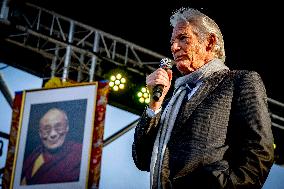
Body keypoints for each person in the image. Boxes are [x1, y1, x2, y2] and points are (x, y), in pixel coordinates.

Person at [132, 7, 274, 189]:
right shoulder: (170, 102)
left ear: (209, 42)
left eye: (183, 38)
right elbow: (142, 159)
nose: (174, 48)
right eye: (172, 42)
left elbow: (260, 149)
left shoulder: (239, 81)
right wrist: (154, 103)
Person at [21, 107, 82, 185]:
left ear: (67, 127)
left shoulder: (79, 152)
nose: (53, 134)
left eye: (58, 127)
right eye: (46, 130)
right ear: (40, 133)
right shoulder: (34, 156)